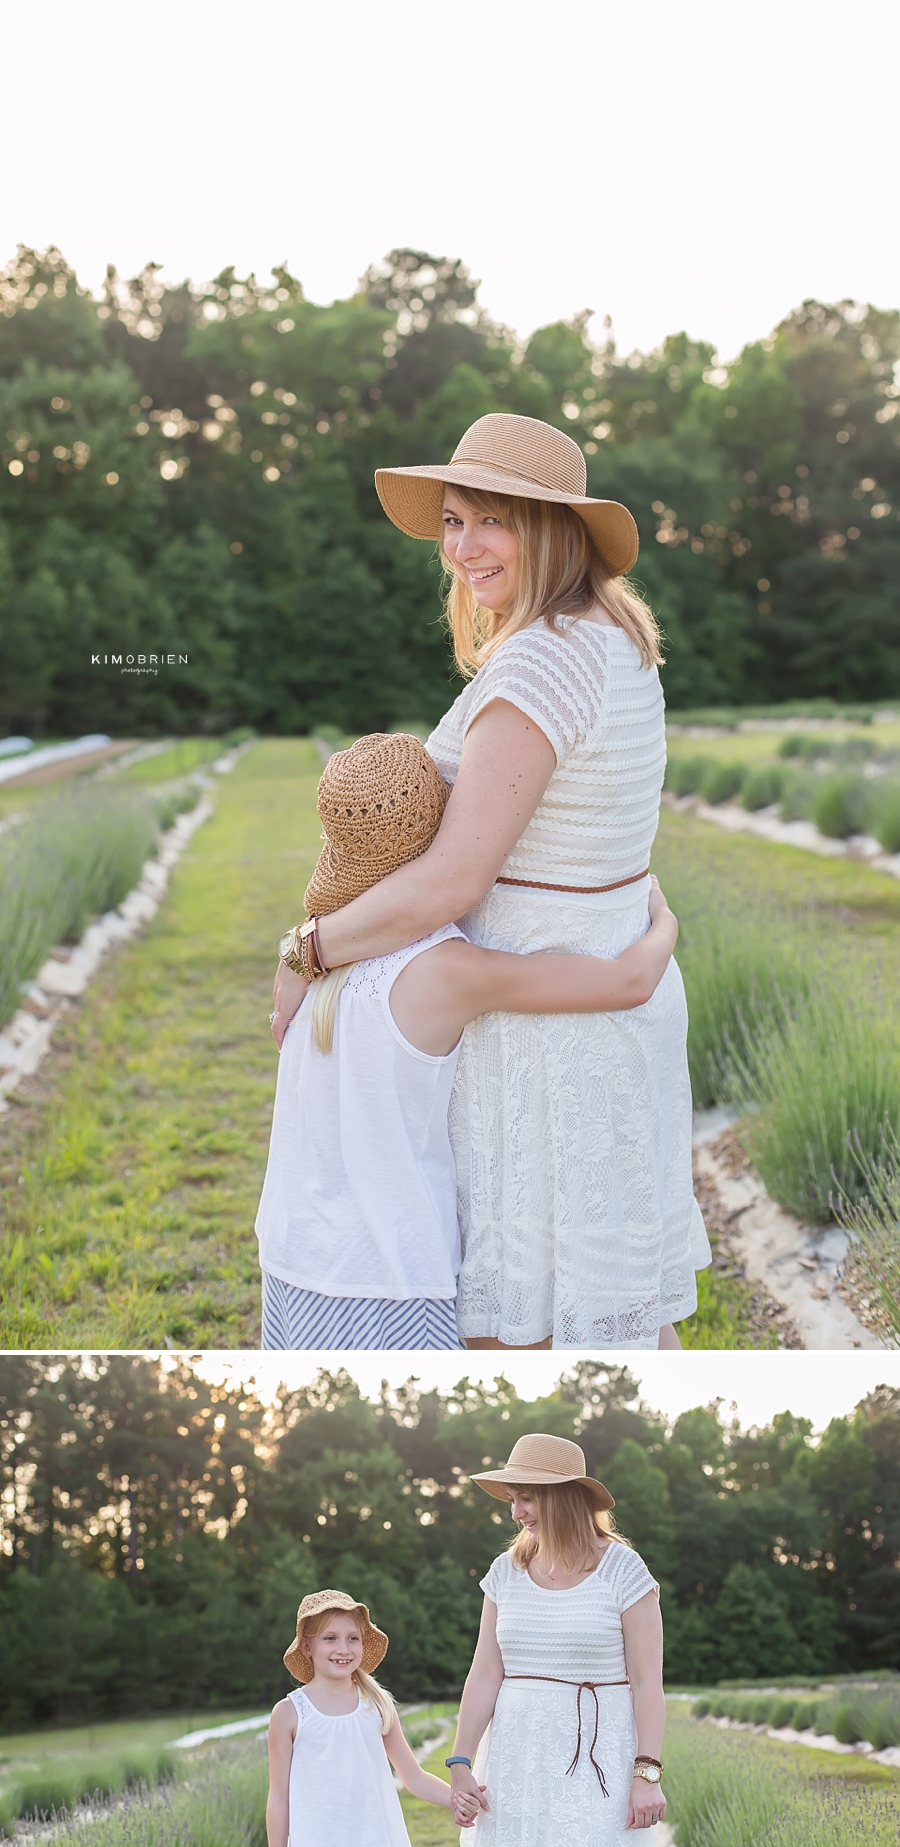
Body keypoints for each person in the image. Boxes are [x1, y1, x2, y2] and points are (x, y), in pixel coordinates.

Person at [271, 411, 709, 1350]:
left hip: (545, 1033)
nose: (464, 548)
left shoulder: (542, 660)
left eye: (491, 521)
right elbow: (590, 838)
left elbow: (451, 879)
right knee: (617, 1307)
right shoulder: (613, 636)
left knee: (519, 1329)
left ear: (551, 526)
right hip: (602, 991)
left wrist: (308, 950)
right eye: (454, 522)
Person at [257, 732, 680, 1351]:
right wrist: (662, 915)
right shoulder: (441, 973)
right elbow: (628, 980)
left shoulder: (314, 966)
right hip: (389, 1278)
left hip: (294, 1258)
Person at [446, 1432, 666, 1847]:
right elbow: (483, 1675)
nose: (516, 1512)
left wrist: (647, 1773)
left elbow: (648, 1683)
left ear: (564, 1496)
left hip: (594, 1768)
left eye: (527, 1497)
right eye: (513, 1499)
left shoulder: (623, 1570)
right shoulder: (507, 1571)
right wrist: (459, 1762)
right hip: (519, 1764)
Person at [267, 1587, 481, 1847]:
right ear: (307, 1647)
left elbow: (413, 1777)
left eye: (353, 1638)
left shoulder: (376, 1706)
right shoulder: (289, 1713)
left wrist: (457, 1799)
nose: (343, 1648)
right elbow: (278, 1797)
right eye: (330, 1638)